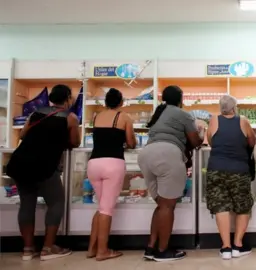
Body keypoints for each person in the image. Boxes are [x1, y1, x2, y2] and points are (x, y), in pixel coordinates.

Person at [6, 84, 81, 261]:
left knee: (27, 204)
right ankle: (48, 248)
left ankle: (27, 249)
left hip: (20, 163)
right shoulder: (70, 117)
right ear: (68, 98)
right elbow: (75, 142)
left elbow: (23, 134)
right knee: (56, 202)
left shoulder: (35, 113)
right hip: (45, 165)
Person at [138, 85, 203, 262]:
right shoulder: (183, 114)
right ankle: (163, 250)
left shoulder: (159, 112)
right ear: (181, 99)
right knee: (168, 206)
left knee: (161, 205)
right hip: (167, 155)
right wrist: (202, 135)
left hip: (146, 154)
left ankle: (151, 247)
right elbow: (195, 140)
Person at [86, 88, 136, 261]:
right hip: (112, 164)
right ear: (121, 102)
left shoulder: (96, 117)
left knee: (101, 207)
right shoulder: (124, 117)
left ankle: (92, 248)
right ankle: (102, 251)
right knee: (106, 209)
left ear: (105, 102)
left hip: (93, 164)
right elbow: (131, 143)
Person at [206, 95, 256, 260]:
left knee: (221, 206)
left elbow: (211, 141)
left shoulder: (214, 120)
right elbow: (252, 141)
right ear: (235, 107)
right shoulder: (243, 120)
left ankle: (226, 247)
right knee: (243, 206)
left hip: (216, 169)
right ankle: (238, 245)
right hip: (239, 171)